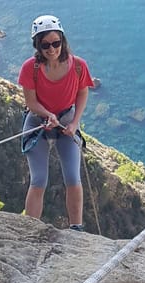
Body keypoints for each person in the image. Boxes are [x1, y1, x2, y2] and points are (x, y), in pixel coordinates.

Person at [17, 15, 94, 231]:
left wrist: (75, 123)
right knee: (38, 180)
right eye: (46, 45)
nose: (52, 49)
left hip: (67, 122)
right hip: (38, 123)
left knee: (73, 177)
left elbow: (82, 93)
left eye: (56, 43)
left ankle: (76, 229)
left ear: (62, 41)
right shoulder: (30, 68)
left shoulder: (78, 66)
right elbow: (31, 102)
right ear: (38, 46)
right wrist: (48, 114)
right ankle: (31, 229)